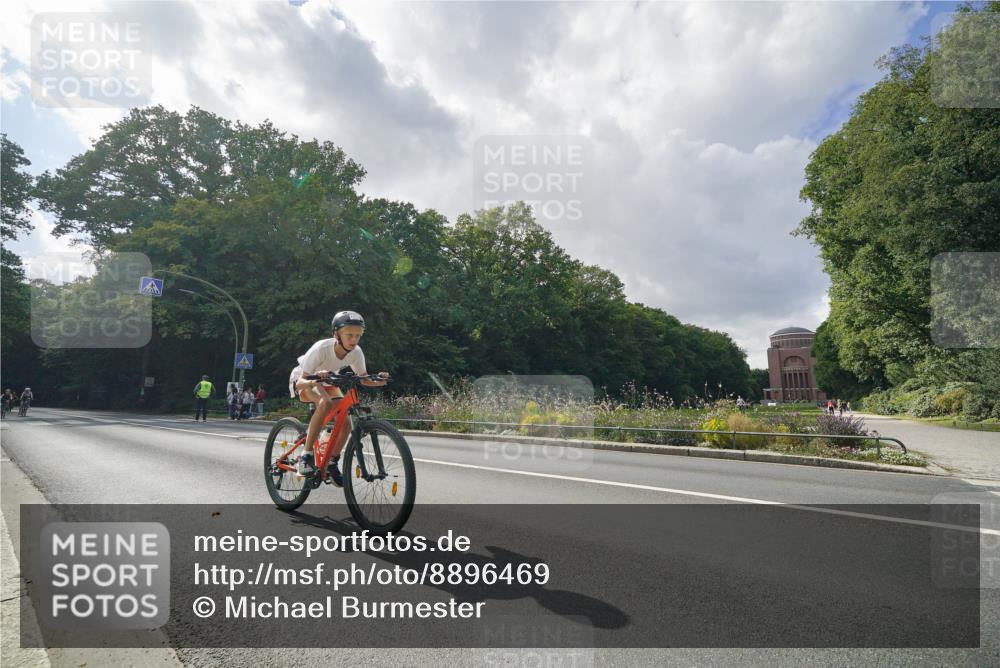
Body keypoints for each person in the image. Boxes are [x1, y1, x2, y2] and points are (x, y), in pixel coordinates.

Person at [288, 310, 389, 483]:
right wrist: (316, 379)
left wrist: (378, 381)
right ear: (336, 334)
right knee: (325, 402)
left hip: (328, 380)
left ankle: (332, 462)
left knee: (346, 419)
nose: (354, 340)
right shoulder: (322, 348)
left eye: (358, 335)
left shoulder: (356, 352)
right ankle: (306, 455)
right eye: (349, 335)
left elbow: (363, 378)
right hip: (305, 379)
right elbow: (301, 382)